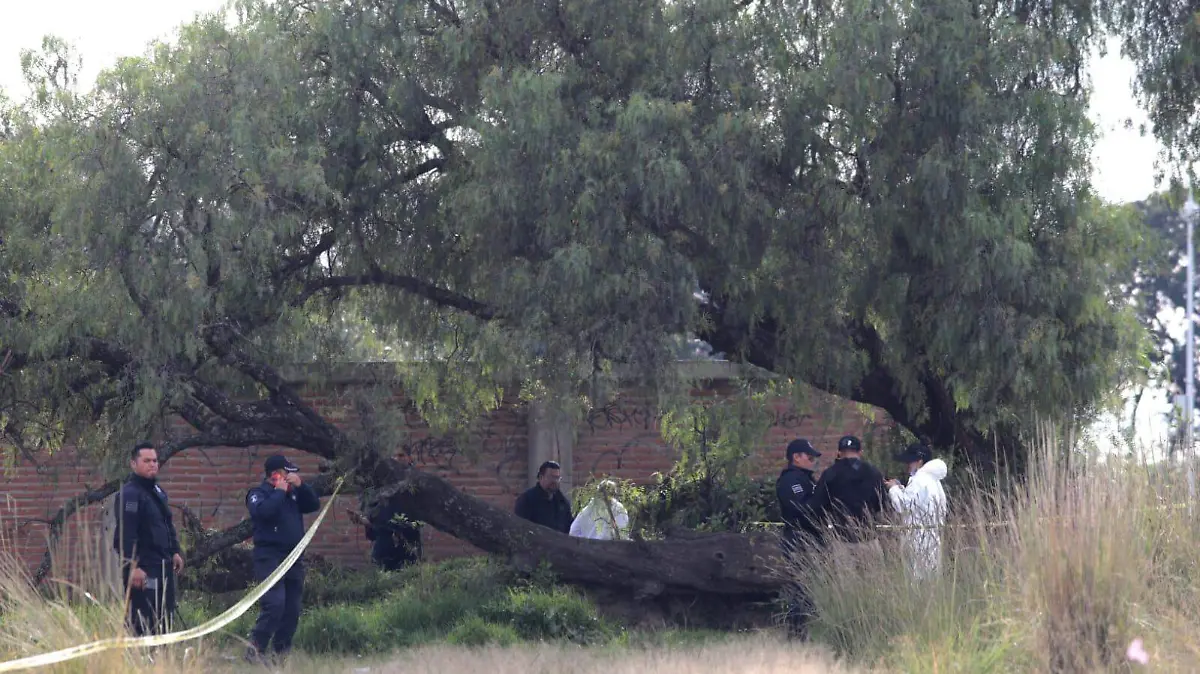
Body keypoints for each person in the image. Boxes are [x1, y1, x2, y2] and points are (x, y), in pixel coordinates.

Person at [245, 454, 321, 663]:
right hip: (269, 557)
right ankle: (255, 648)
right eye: (288, 473)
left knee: (292, 607)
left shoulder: (293, 495)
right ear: (276, 474)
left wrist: (302, 485)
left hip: (293, 557)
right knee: (275, 604)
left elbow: (313, 504)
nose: (291, 477)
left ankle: (281, 653)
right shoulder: (258, 493)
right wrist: (279, 491)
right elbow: (264, 513)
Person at [113, 442, 185, 636]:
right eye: (146, 461)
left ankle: (161, 661)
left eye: (154, 461)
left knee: (165, 616)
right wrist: (133, 567)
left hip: (163, 565)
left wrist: (175, 551)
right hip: (144, 569)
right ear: (134, 464)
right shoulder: (130, 495)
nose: (152, 464)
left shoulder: (157, 492)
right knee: (142, 618)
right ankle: (136, 660)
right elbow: (125, 535)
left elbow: (167, 523)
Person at [808, 435, 888, 567]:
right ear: (860, 452)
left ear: (839, 453)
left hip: (841, 540)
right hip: (869, 538)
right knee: (874, 583)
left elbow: (817, 505)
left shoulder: (830, 473)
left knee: (845, 585)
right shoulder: (873, 473)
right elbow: (883, 504)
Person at [774, 438, 823, 640]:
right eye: (809, 457)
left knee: (810, 590)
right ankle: (796, 635)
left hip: (810, 540)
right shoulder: (791, 480)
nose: (813, 461)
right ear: (796, 457)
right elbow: (802, 508)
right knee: (800, 591)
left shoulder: (806, 479)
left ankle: (806, 633)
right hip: (798, 541)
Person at [886, 440, 948, 581]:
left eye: (910, 462)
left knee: (918, 580)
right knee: (930, 577)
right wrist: (901, 488)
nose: (907, 466)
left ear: (919, 461)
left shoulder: (920, 480)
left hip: (919, 538)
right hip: (931, 535)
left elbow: (903, 506)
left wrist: (893, 489)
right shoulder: (932, 481)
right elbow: (915, 501)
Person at [357, 494, 423, 571]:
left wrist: (371, 524)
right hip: (383, 555)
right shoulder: (376, 507)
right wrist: (367, 524)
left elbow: (404, 528)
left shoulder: (404, 501)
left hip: (404, 553)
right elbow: (372, 536)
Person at [514, 460, 573, 533]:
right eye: (551, 477)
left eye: (557, 478)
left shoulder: (562, 502)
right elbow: (520, 528)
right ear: (541, 477)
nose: (555, 481)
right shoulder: (527, 500)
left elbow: (569, 529)